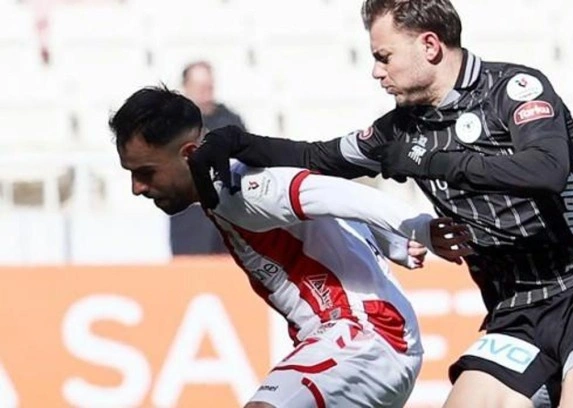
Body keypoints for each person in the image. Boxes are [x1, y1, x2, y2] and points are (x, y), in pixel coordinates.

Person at [187, 1, 573, 407]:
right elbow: (316, 157)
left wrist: (432, 161)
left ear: (429, 45)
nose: (377, 71)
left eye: (384, 57)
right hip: (515, 313)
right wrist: (233, 140)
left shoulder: (514, 89)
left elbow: (546, 170)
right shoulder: (401, 131)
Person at [109, 85, 471, 408]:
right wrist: (392, 241)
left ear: (189, 154)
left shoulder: (242, 189)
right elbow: (325, 203)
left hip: (366, 333)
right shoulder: (221, 189)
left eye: (146, 172)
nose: (137, 188)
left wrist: (417, 227)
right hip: (352, 342)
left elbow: (333, 192)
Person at [170, 60, 249, 255]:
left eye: (209, 87)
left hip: (227, 213)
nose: (205, 93)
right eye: (200, 87)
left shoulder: (229, 120)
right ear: (186, 87)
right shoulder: (173, 122)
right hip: (190, 215)